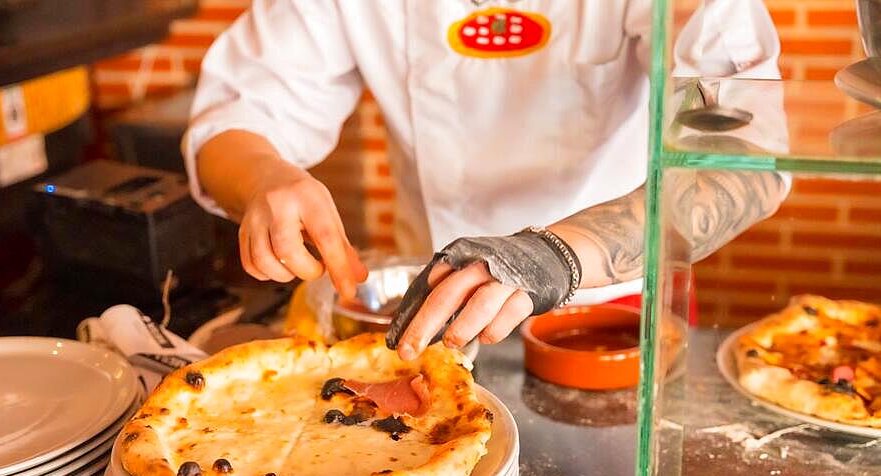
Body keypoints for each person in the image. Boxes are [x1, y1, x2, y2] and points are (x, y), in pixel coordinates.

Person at [183, 1, 787, 360]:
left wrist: (555, 256)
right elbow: (235, 116)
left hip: (612, 308)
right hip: (427, 312)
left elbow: (745, 157)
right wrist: (264, 174)